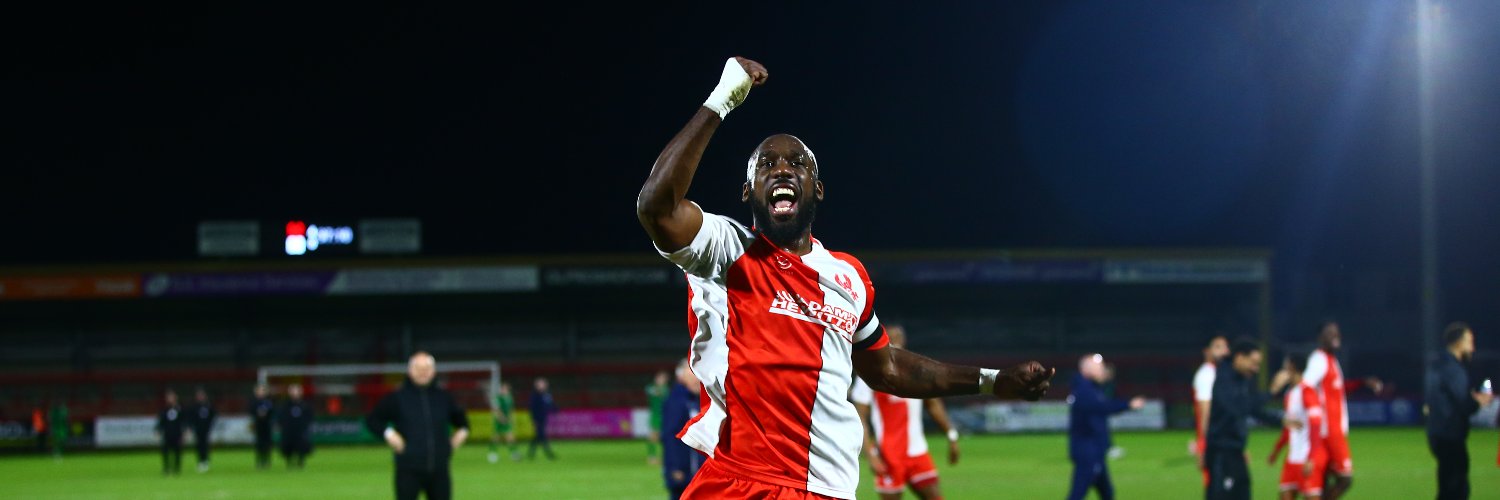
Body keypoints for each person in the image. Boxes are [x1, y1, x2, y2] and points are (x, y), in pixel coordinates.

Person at [636, 56, 1054, 499]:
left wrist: (993, 380)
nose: (781, 168)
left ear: (817, 188)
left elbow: (887, 367)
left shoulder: (848, 275)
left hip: (831, 490)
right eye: (766, 165)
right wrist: (721, 100)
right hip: (745, 482)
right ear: (747, 193)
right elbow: (656, 208)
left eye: (797, 163)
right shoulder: (727, 249)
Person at [850, 325, 964, 500]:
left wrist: (951, 434)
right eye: (892, 338)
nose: (896, 342)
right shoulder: (870, 371)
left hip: (918, 452)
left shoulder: (914, 371)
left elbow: (933, 404)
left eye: (899, 338)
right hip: (889, 455)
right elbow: (860, 417)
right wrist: (870, 454)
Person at [365, 352, 470, 500]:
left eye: (427, 368)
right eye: (418, 368)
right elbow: (373, 420)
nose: (423, 372)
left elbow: (462, 423)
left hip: (439, 471)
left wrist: (459, 436)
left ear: (433, 371)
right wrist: (389, 434)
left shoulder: (444, 397)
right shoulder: (397, 397)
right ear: (409, 370)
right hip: (408, 470)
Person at [1204, 338, 1298, 500]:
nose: (1256, 369)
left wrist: (1279, 420)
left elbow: (1250, 408)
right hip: (1221, 454)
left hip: (1235, 452)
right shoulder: (1223, 378)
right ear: (1240, 358)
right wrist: (1271, 392)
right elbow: (1238, 407)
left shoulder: (1241, 378)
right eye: (1253, 363)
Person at [1301, 321, 1382, 499]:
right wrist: (1314, 411)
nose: (1335, 336)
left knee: (1325, 477)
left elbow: (1337, 388)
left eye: (1337, 332)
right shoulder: (1319, 360)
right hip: (1329, 430)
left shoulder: (1331, 360)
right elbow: (1306, 386)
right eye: (1330, 333)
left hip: (1334, 429)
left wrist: (1362, 382)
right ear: (1320, 337)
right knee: (1345, 478)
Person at [1424, 322, 1492, 499]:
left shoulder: (1437, 364)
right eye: (1469, 341)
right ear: (1458, 343)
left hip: (1437, 432)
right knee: (1457, 490)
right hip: (1450, 434)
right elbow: (1463, 403)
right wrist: (1478, 402)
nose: (1472, 347)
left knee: (1448, 487)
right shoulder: (1452, 368)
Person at [1067, 354, 1146, 500]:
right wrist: (1128, 404)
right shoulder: (1085, 390)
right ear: (1087, 370)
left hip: (1096, 450)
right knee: (1077, 494)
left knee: (1107, 493)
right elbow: (1103, 407)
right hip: (1087, 452)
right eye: (1099, 367)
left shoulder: (1092, 387)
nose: (1102, 370)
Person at [1266, 353, 1326, 500]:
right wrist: (1276, 451)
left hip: (1307, 458)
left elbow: (1316, 425)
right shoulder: (1290, 394)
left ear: (1291, 368)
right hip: (1292, 459)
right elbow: (1288, 428)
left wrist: (1311, 458)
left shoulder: (1308, 392)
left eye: (1285, 367)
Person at [662, 358, 703, 500]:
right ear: (681, 375)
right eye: (693, 372)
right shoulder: (677, 401)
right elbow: (670, 436)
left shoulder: (698, 399)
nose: (698, 377)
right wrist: (674, 467)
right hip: (685, 471)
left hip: (699, 472)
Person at [1193, 334, 1230, 479]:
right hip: (1215, 444)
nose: (1224, 351)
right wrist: (1204, 447)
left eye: (1225, 347)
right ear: (1207, 352)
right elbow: (1205, 412)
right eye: (1218, 347)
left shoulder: (1221, 373)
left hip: (1225, 442)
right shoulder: (1207, 375)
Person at [278, 383, 314, 470]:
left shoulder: (305, 405)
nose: (295, 393)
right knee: (288, 445)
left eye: (297, 391)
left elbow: (309, 416)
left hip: (300, 429)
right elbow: (281, 416)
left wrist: (306, 425)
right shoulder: (285, 405)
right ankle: (289, 461)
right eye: (293, 391)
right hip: (289, 429)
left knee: (301, 444)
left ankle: (301, 461)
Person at [155, 389, 185, 476]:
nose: (170, 399)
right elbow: (161, 422)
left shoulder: (180, 409)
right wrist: (157, 431)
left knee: (177, 451)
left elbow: (183, 422)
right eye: (169, 397)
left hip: (177, 434)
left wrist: (184, 433)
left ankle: (177, 468)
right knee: (165, 451)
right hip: (167, 434)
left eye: (172, 397)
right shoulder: (164, 410)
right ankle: (166, 468)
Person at [187, 387, 216, 473]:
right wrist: (191, 427)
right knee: (199, 446)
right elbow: (191, 418)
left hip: (206, 430)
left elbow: (213, 416)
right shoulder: (194, 407)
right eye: (199, 396)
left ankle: (206, 461)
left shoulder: (208, 406)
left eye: (202, 395)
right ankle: (200, 461)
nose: (200, 397)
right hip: (198, 430)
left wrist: (209, 425)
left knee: (205, 445)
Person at [527, 377, 557, 461]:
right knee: (542, 435)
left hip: (544, 418)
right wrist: (533, 420)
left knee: (537, 436)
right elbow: (532, 408)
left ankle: (531, 453)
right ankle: (549, 453)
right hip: (537, 419)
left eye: (543, 384)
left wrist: (555, 409)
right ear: (537, 385)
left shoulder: (546, 394)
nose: (543, 385)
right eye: (541, 384)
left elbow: (550, 404)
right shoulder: (534, 396)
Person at [489, 382, 519, 463]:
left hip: (507, 420)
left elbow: (510, 409)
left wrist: (512, 418)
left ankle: (514, 454)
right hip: (499, 420)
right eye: (503, 389)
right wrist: (501, 417)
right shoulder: (497, 398)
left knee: (510, 437)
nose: (504, 390)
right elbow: (496, 409)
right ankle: (492, 454)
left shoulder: (509, 398)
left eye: (505, 389)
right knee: (496, 437)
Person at [646, 370, 670, 466]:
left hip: (665, 416)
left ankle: (663, 457)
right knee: (653, 437)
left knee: (665, 438)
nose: (662, 380)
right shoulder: (651, 388)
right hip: (655, 416)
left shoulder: (666, 389)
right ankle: (651, 457)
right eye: (660, 378)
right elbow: (649, 390)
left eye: (663, 379)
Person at [251, 384, 275, 469]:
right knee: (259, 444)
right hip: (258, 425)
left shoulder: (268, 402)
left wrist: (266, 414)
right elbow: (251, 411)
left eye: (262, 391)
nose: (261, 393)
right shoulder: (254, 402)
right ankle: (259, 461)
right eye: (259, 391)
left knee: (267, 444)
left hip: (267, 425)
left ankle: (267, 460)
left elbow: (272, 411)